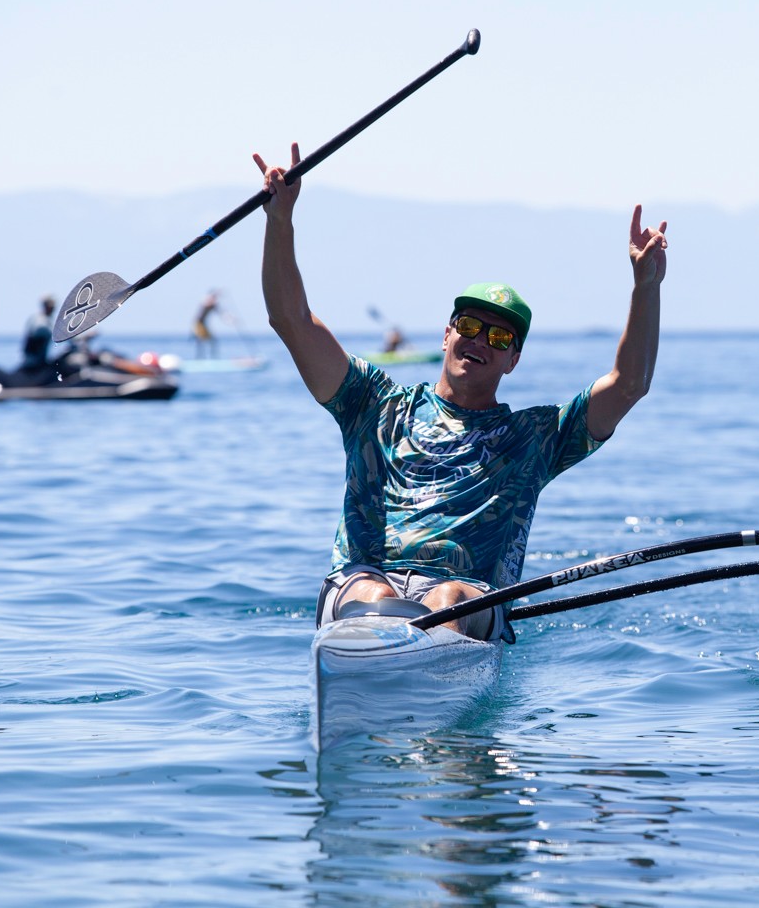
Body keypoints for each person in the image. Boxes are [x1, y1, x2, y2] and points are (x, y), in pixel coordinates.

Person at [254, 142, 668, 640]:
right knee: (374, 597)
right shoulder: (374, 403)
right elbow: (291, 321)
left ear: (514, 359)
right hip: (362, 591)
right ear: (446, 333)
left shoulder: (536, 436)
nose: (479, 342)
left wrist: (646, 285)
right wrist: (280, 221)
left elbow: (629, 385)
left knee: (447, 599)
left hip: (466, 603)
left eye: (499, 338)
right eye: (469, 325)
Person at [21, 295, 56, 369]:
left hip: (40, 360)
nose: (52, 309)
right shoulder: (39, 320)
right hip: (33, 361)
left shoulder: (47, 319)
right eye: (50, 306)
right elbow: (39, 331)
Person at [193, 291, 222, 358]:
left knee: (212, 340)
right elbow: (206, 301)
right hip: (199, 323)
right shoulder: (206, 303)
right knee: (200, 341)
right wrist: (216, 294)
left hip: (204, 324)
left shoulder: (214, 306)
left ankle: (213, 357)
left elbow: (221, 313)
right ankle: (199, 358)